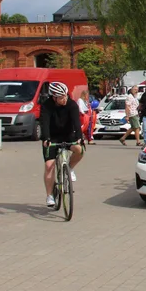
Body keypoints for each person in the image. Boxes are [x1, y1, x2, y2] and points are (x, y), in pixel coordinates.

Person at [39, 81, 84, 209]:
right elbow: (44, 123)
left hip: (67, 135)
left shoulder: (71, 104)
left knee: (79, 150)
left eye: (65, 96)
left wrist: (79, 137)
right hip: (51, 137)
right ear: (54, 97)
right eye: (61, 97)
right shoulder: (47, 106)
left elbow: (76, 122)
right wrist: (46, 138)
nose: (64, 99)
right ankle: (49, 196)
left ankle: (69, 168)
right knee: (49, 166)